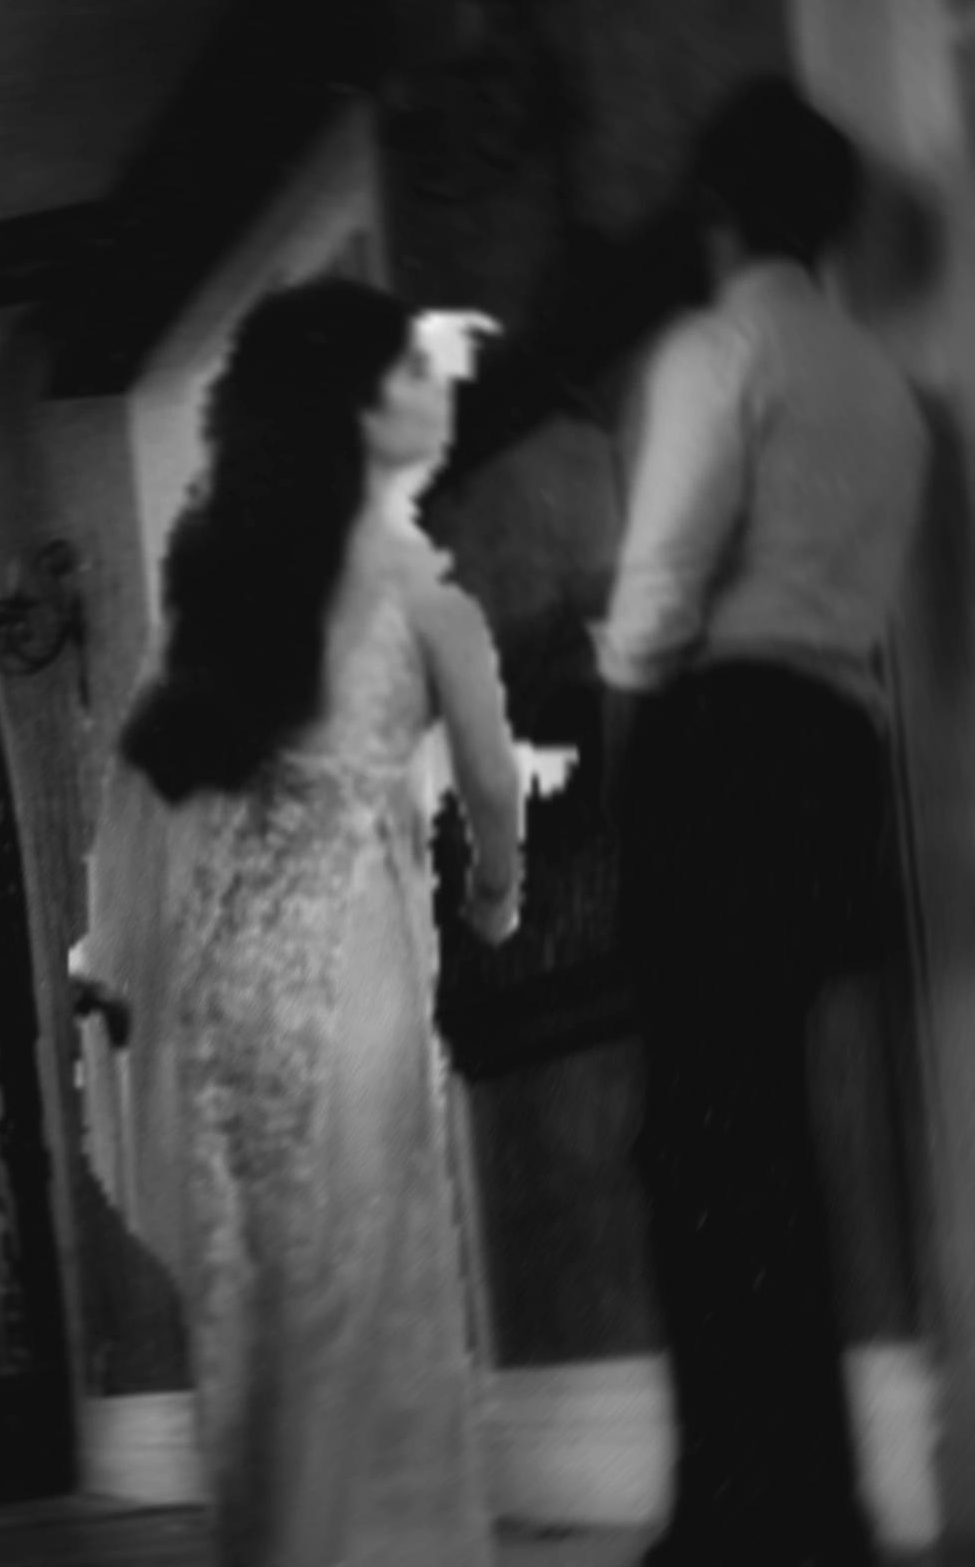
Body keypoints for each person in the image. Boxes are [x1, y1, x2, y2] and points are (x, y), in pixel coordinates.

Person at [87, 277, 523, 1567]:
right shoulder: (425, 596)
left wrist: (134, 955)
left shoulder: (220, 593)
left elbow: (149, 793)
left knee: (262, 1282)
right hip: (354, 956)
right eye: (407, 372)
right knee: (371, 1266)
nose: (432, 388)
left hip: (235, 981)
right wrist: (493, 899)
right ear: (350, 406)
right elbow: (491, 786)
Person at [592, 77, 929, 1567]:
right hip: (837, 746)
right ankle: (813, 1505)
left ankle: (734, 1511)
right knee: (770, 1126)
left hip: (720, 740)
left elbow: (662, 579)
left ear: (716, 205)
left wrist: (628, 731)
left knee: (699, 1139)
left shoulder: (717, 349)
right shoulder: (882, 384)